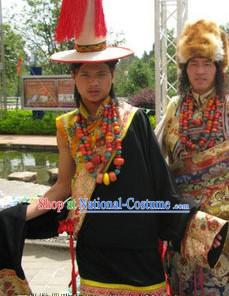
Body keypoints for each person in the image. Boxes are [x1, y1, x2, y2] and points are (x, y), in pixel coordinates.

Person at [0, 4, 227, 296]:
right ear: (74, 77)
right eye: (85, 74)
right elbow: (62, 188)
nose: (94, 82)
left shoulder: (134, 120)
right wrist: (19, 214)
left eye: (101, 74)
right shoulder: (66, 126)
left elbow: (161, 185)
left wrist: (198, 226)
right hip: (94, 249)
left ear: (113, 76)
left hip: (139, 249)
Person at [155, 19, 229, 295]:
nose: (200, 71)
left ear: (219, 68)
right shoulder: (174, 107)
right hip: (183, 225)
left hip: (224, 233)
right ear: (184, 69)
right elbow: (152, 157)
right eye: (193, 64)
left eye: (207, 63)